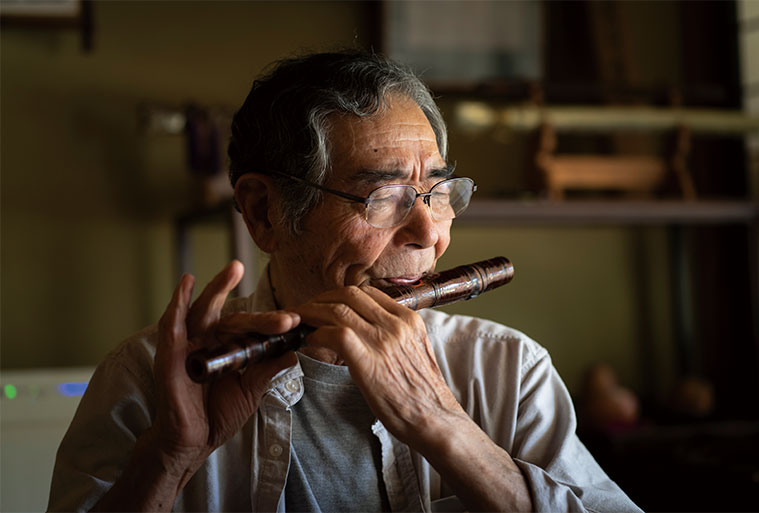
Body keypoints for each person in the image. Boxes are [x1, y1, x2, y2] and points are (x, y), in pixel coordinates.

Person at [48, 50, 641, 512]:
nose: (428, 233)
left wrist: (444, 427)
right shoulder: (145, 380)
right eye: (383, 198)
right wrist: (169, 459)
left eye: (438, 193)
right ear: (264, 213)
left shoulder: (509, 370)